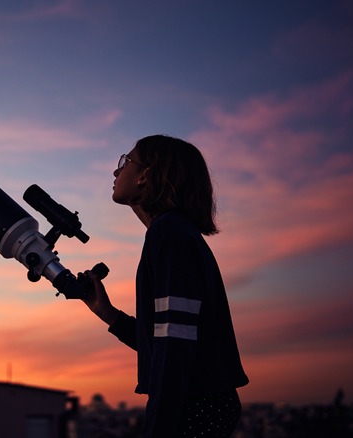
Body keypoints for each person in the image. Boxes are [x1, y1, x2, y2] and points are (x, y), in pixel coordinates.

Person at [83, 135, 249, 437]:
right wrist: (106, 312)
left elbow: (175, 347)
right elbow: (163, 340)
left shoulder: (169, 234)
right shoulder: (172, 233)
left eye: (126, 161)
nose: (116, 172)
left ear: (146, 174)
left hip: (194, 405)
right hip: (198, 402)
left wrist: (158, 429)